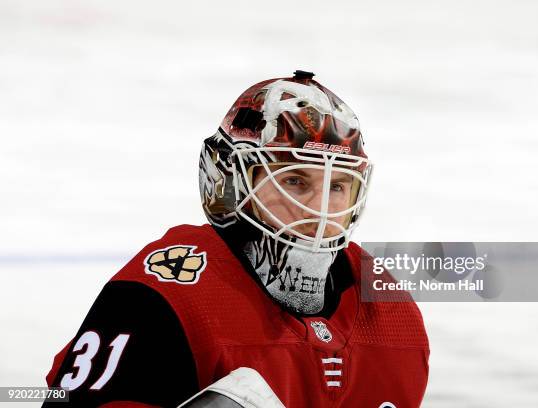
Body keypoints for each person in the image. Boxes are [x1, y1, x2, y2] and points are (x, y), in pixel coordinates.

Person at [43, 70, 430, 407]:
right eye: (294, 181)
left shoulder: (390, 311)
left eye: (339, 187)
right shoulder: (166, 296)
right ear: (230, 182)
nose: (322, 212)